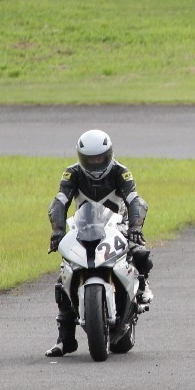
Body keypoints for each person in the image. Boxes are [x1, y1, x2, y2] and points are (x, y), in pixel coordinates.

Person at [46, 130, 152, 357]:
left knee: (141, 252)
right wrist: (57, 231)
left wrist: (135, 227)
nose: (95, 164)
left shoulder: (121, 172)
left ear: (109, 154)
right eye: (90, 160)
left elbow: (136, 200)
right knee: (64, 276)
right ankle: (65, 340)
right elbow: (59, 202)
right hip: (83, 226)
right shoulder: (72, 173)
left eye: (100, 158)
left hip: (117, 225)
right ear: (81, 158)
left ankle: (142, 287)